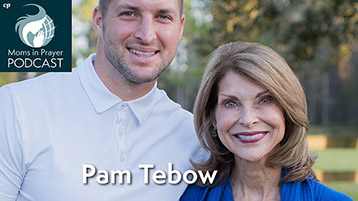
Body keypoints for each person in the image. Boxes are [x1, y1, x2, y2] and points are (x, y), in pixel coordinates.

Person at [0, 0, 202, 200]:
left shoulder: (193, 138)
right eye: (129, 14)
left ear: (180, 28)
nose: (147, 35)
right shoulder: (17, 107)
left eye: (163, 17)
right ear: (99, 20)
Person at [180, 41, 352, 201]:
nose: (248, 120)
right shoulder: (186, 196)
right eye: (231, 103)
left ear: (287, 109)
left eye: (265, 100)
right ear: (213, 117)